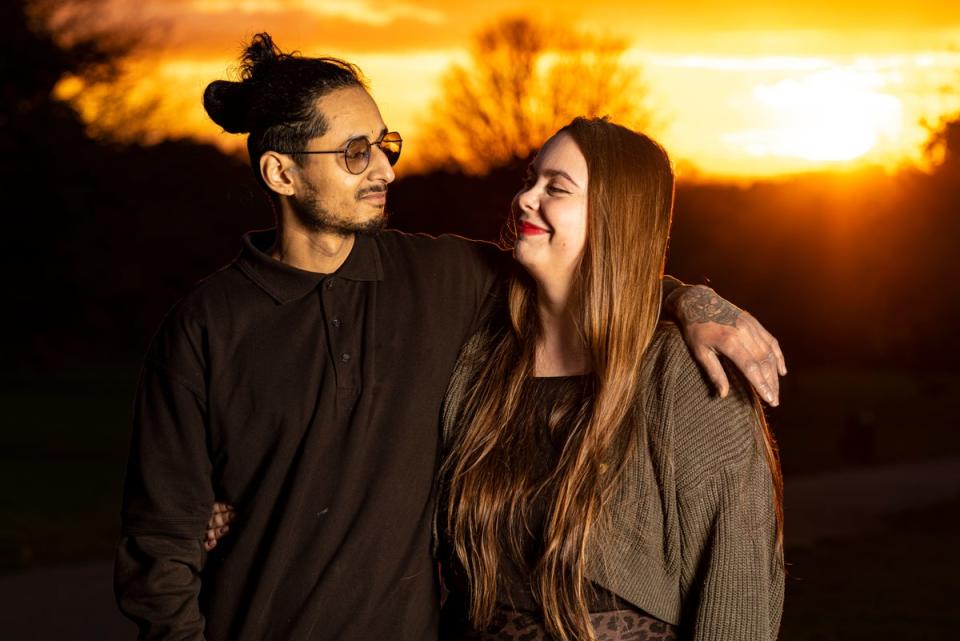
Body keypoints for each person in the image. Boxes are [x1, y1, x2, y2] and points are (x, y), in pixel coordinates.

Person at [117, 33, 785, 641]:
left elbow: (598, 269)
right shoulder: (207, 328)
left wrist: (696, 301)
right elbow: (159, 550)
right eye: (355, 153)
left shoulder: (441, 278)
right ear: (282, 175)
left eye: (386, 145)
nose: (383, 168)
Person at [437, 118, 784, 640]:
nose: (526, 199)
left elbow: (739, 589)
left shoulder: (684, 373)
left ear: (613, 218)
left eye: (556, 188)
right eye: (530, 179)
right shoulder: (481, 362)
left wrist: (685, 299)